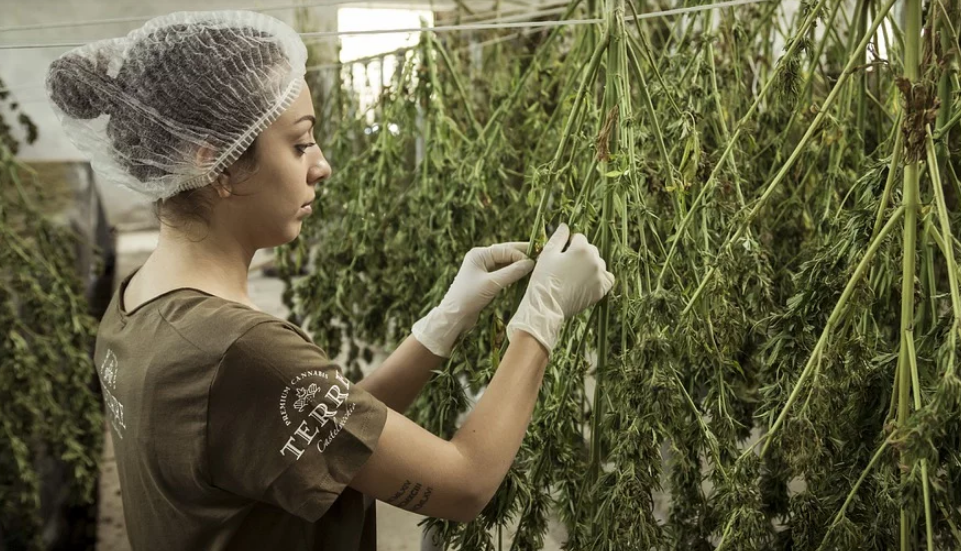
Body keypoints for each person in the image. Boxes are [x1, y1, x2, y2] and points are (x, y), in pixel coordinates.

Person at [45, 9, 615, 551]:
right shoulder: (240, 352)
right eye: (299, 143)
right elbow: (464, 484)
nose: (322, 165)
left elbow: (322, 436)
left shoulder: (138, 303)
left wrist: (441, 325)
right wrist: (541, 318)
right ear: (216, 167)